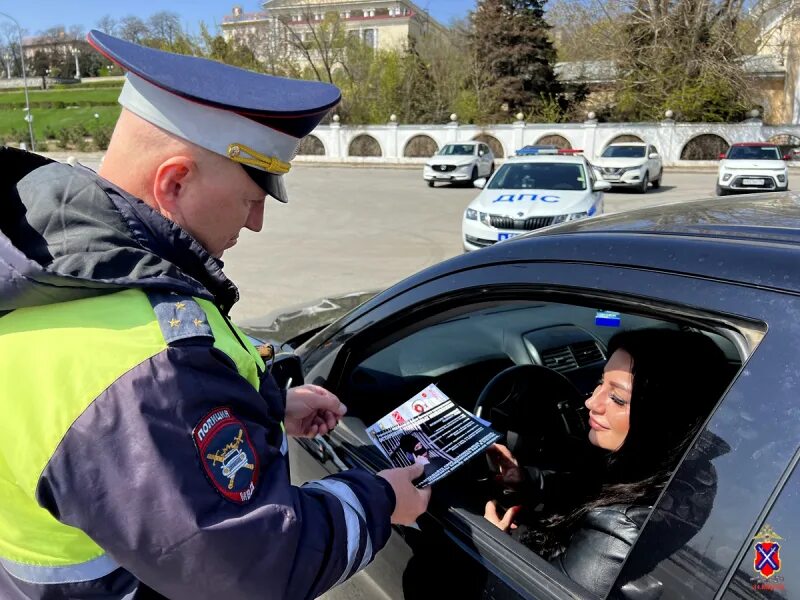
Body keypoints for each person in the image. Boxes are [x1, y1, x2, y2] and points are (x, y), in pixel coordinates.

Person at [0, 31, 430, 600]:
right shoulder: (148, 357)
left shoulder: (46, 270)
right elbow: (253, 568)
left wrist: (269, 407)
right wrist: (381, 500)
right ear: (175, 182)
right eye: (253, 200)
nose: (254, 223)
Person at [483, 328, 731, 597]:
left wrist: (495, 545)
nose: (591, 402)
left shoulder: (625, 524)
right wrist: (530, 479)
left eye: (617, 398)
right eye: (600, 383)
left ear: (662, 416)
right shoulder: (674, 468)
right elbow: (599, 487)